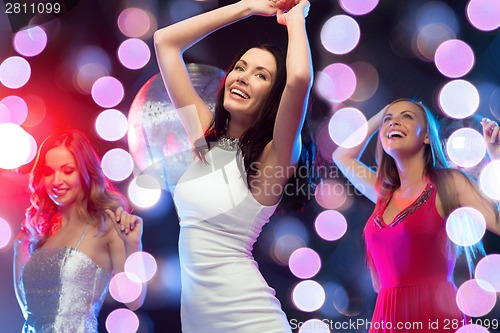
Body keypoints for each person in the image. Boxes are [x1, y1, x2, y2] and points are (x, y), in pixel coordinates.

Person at [154, 0, 316, 331]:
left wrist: (296, 15)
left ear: (273, 98)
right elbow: (165, 43)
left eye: (261, 75)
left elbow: (299, 78)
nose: (242, 78)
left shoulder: (274, 156)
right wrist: (245, 7)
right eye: (240, 67)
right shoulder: (205, 138)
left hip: (250, 321)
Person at [332, 98, 500, 332]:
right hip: (386, 318)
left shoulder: (449, 183)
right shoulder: (384, 194)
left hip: (435, 315)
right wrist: (382, 113)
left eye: (407, 116)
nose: (394, 123)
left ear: (427, 136)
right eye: (389, 120)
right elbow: (342, 156)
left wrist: (497, 158)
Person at [13, 129, 145, 333]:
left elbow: (133, 301)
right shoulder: (38, 233)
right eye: (49, 172)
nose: (57, 181)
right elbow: (30, 312)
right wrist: (20, 249)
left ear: (85, 172)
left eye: (67, 171)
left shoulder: (105, 225)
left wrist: (133, 246)